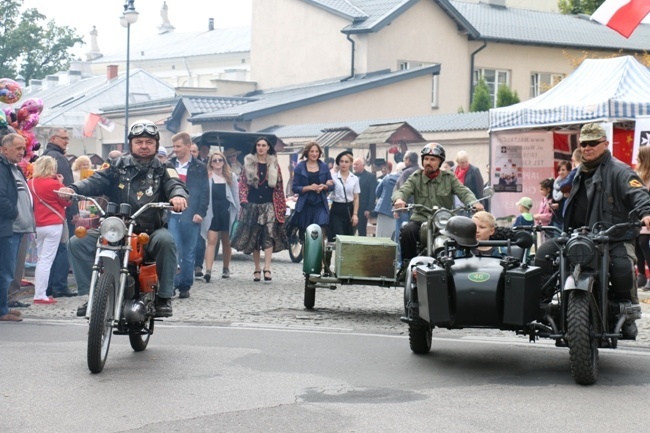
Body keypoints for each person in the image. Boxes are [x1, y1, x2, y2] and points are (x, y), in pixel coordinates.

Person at [62, 120, 189, 318]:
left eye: (148, 141)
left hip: (150, 230)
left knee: (167, 242)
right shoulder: (117, 166)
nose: (144, 146)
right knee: (77, 242)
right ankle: (93, 294)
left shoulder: (164, 169)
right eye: (139, 141)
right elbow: (96, 180)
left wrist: (177, 196)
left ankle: (164, 297)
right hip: (117, 228)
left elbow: (175, 184)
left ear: (156, 145)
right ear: (131, 144)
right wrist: (74, 189)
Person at [535, 123, 650, 340]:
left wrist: (647, 213)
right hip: (576, 234)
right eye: (584, 144)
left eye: (593, 143)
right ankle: (542, 308)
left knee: (623, 267)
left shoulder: (620, 171)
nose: (587, 147)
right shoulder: (580, 171)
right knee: (543, 255)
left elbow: (639, 193)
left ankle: (627, 314)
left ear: (605, 144)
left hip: (611, 236)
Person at [392, 143, 482, 270]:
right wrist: (399, 199)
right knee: (407, 230)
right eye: (426, 159)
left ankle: (465, 265)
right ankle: (407, 266)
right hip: (421, 219)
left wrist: (474, 203)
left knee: (464, 232)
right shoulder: (416, 177)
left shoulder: (449, 177)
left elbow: (463, 191)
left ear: (440, 162)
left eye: (432, 159)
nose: (428, 162)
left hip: (445, 221)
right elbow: (402, 190)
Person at [231, 137, 287, 282]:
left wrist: (281, 205)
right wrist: (243, 199)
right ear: (255, 147)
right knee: (255, 236)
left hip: (269, 203)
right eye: (258, 145)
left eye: (264, 145)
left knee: (269, 234)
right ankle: (257, 267)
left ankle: (267, 267)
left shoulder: (274, 164)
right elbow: (242, 184)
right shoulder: (248, 163)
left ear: (268, 147)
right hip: (253, 204)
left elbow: (279, 186)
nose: (261, 148)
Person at [168, 132, 209, 298]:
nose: (175, 150)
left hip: (191, 214)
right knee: (173, 248)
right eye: (174, 147)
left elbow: (205, 192)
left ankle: (185, 285)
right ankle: (172, 284)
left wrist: (201, 212)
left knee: (189, 252)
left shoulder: (199, 167)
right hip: (171, 214)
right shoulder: (169, 165)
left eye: (178, 146)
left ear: (187, 146)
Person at [28, 156, 71, 304]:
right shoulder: (55, 184)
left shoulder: (31, 183)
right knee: (47, 260)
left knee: (41, 259)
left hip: (38, 224)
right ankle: (40, 294)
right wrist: (61, 183)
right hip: (54, 224)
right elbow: (66, 201)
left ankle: (39, 292)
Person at [0, 133, 31, 322]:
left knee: (7, 271)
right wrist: (15, 213)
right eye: (18, 148)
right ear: (4, 149)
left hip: (16, 228)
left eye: (23, 148)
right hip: (8, 228)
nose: (22, 152)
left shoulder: (12, 167)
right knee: (5, 271)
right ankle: (2, 311)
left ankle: (3, 306)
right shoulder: (2, 167)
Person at [42, 127, 75, 298]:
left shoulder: (45, 155)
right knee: (63, 248)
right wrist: (74, 210)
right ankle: (60, 286)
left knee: (49, 251)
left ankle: (48, 286)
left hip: (47, 211)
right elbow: (67, 187)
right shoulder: (58, 157)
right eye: (64, 138)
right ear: (54, 138)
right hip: (61, 209)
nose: (66, 141)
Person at [201, 151, 239, 281]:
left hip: (227, 211)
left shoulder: (231, 176)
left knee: (226, 241)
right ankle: (208, 270)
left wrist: (238, 212)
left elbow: (235, 195)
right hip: (212, 211)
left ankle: (226, 268)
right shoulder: (207, 176)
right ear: (210, 163)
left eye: (220, 160)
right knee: (211, 240)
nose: (217, 162)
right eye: (215, 160)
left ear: (224, 162)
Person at [291, 142, 333, 241]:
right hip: (305, 204)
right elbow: (295, 188)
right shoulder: (300, 167)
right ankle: (307, 255)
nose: (314, 154)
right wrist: (309, 187)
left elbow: (331, 186)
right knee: (306, 235)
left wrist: (324, 187)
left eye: (317, 151)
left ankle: (319, 254)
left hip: (320, 204)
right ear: (307, 153)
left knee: (320, 230)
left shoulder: (324, 166)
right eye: (312, 151)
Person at [328, 151, 359, 242]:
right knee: (338, 236)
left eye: (346, 162)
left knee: (348, 238)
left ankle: (346, 256)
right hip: (336, 208)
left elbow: (356, 197)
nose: (343, 164)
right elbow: (328, 192)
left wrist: (355, 214)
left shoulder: (354, 179)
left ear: (350, 163)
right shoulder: (333, 177)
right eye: (341, 161)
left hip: (349, 208)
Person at [635, 145, 650, 291]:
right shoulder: (638, 174)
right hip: (637, 219)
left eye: (638, 156)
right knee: (637, 245)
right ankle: (641, 275)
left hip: (648, 219)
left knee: (644, 244)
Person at [374, 163, 401, 238]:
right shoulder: (409, 178)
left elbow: (377, 191)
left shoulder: (388, 177)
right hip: (401, 210)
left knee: (382, 237)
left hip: (384, 209)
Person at [454, 150, 484, 215]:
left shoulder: (474, 171)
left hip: (469, 204)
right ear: (457, 162)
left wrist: (479, 205)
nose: (465, 164)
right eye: (462, 162)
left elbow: (479, 189)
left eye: (466, 162)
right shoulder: (453, 171)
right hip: (455, 204)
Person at [353, 157, 376, 236]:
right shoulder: (351, 176)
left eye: (356, 164)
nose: (354, 166)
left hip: (363, 208)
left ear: (363, 165)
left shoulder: (370, 177)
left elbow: (372, 194)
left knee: (361, 230)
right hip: (352, 207)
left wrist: (369, 209)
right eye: (354, 164)